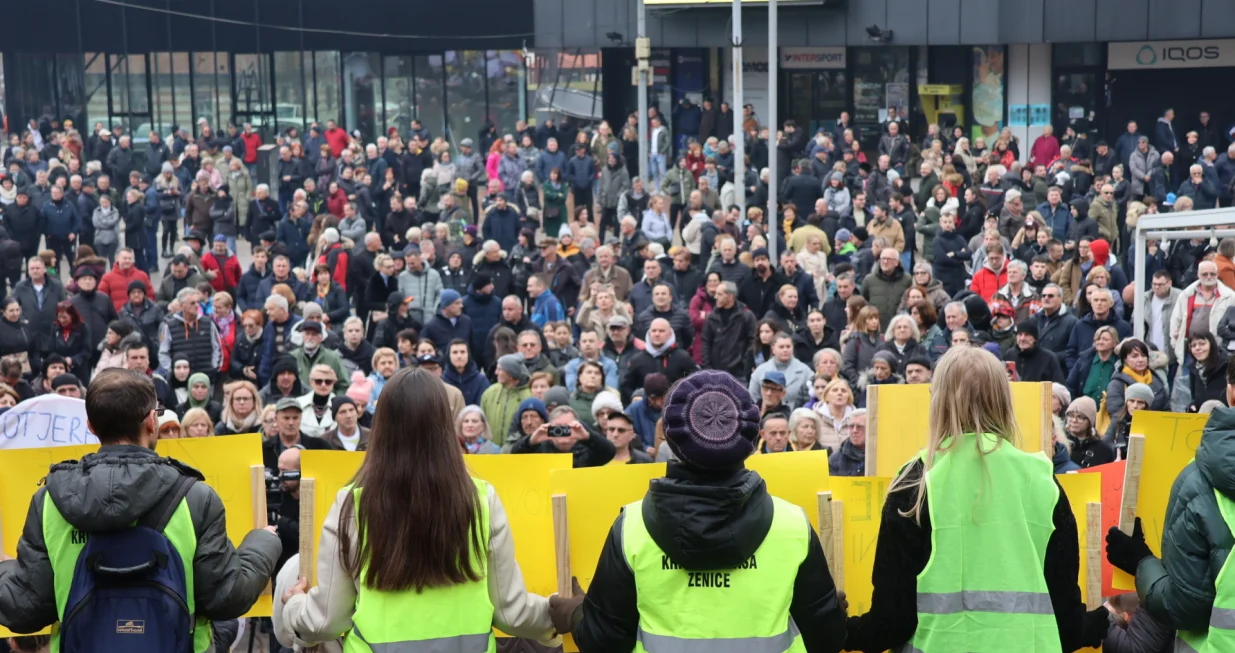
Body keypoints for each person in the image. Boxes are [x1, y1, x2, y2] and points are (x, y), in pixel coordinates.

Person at [559, 369, 847, 651]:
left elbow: (605, 641)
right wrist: (828, 610)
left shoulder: (631, 528)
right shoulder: (792, 525)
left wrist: (577, 614)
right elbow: (826, 639)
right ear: (748, 441)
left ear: (671, 440)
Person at [844, 346, 1108, 652]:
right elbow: (1065, 621)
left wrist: (845, 630)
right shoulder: (1042, 480)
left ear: (937, 401)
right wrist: (1095, 623)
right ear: (1003, 400)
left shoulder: (916, 483)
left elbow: (891, 620)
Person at [0, 369, 281, 648]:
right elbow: (225, 598)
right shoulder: (195, 498)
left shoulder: (49, 501)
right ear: (150, 420)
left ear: (91, 426)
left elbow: (26, 609)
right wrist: (263, 543)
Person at [280, 369, 559, 649]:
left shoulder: (352, 504)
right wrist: (565, 613)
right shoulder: (481, 499)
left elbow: (326, 620)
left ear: (381, 426)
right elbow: (512, 612)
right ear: (445, 424)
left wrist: (294, 605)